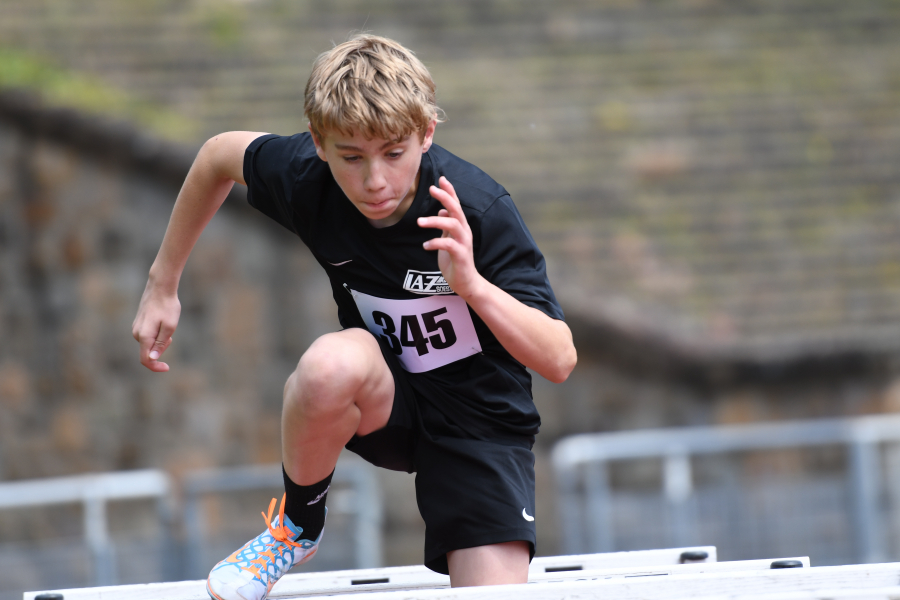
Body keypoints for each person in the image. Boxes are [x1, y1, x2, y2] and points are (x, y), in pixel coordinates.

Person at [132, 34, 576, 600]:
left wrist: (472, 286)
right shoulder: (305, 179)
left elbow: (560, 359)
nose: (374, 182)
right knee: (328, 366)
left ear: (427, 133)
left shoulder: (476, 207)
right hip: (384, 396)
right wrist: (162, 283)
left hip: (479, 425)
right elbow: (218, 154)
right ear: (318, 143)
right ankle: (296, 527)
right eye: (351, 157)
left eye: (394, 153)